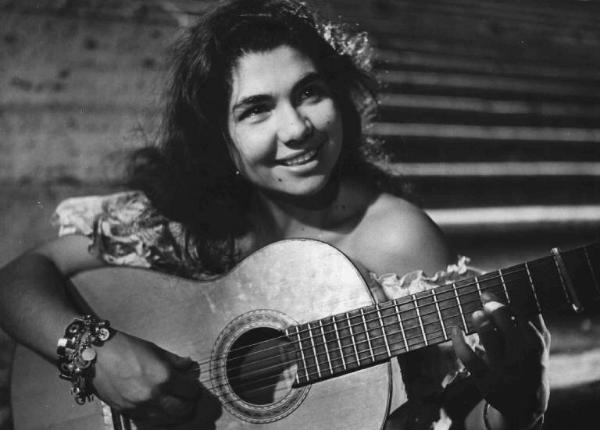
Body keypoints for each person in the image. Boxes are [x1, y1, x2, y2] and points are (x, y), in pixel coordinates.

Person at [0, 0, 550, 429]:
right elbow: (16, 283)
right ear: (221, 139)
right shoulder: (175, 221)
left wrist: (519, 402)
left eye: (309, 92)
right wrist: (99, 356)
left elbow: (458, 417)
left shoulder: (397, 241)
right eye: (257, 109)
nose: (297, 129)